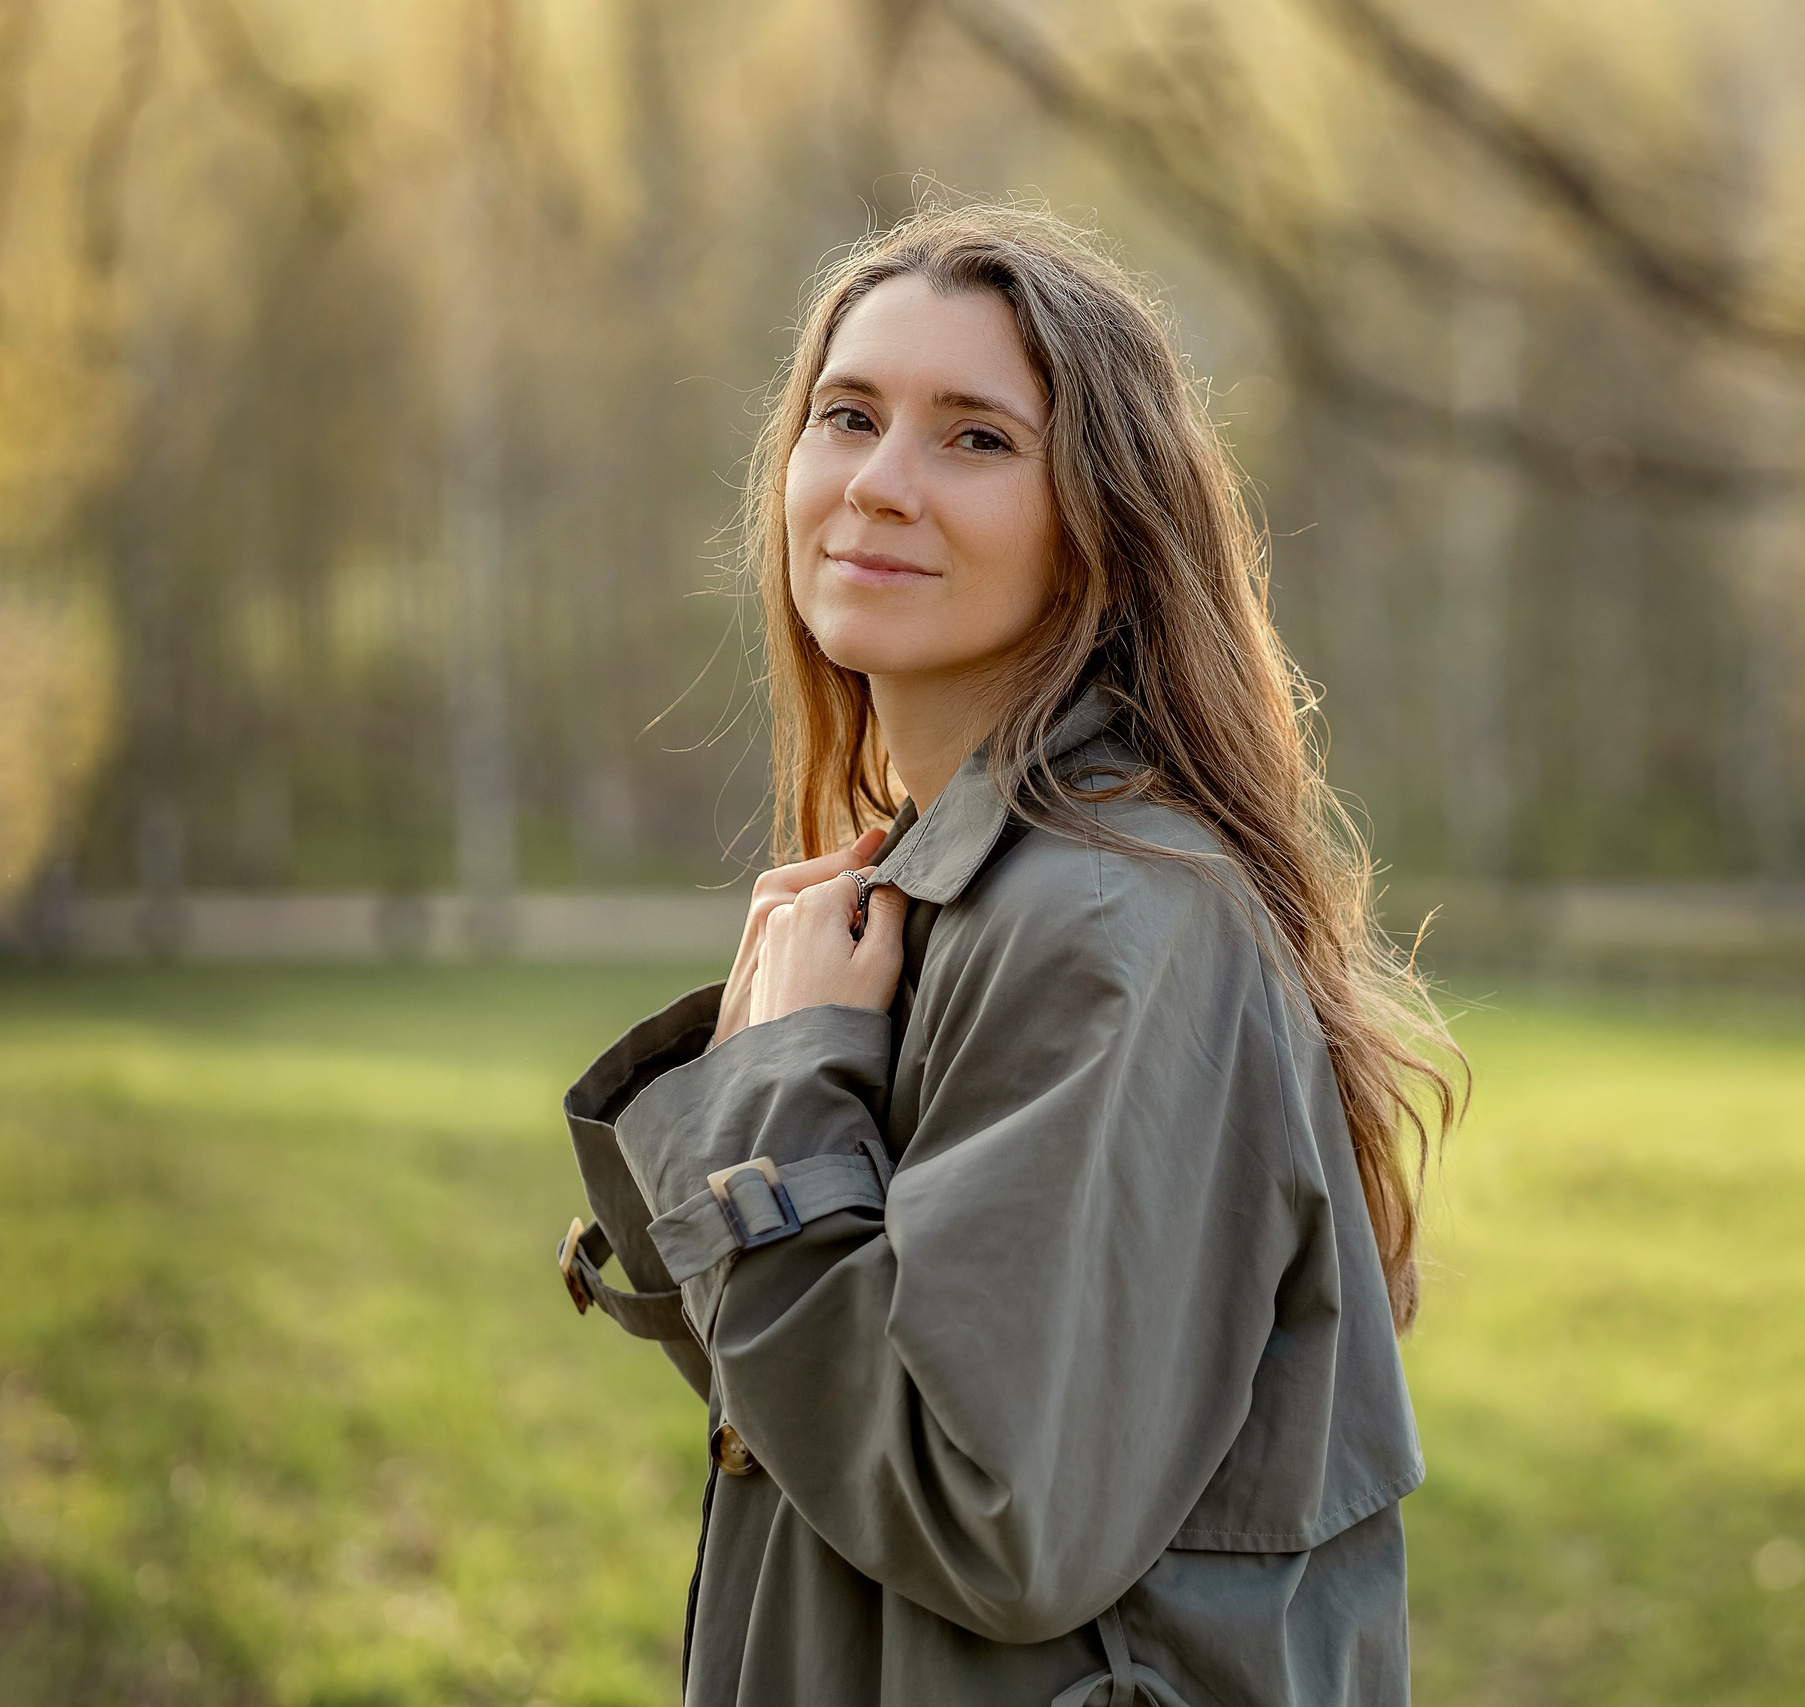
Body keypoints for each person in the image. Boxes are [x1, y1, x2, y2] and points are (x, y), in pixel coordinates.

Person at [552, 203, 1462, 1706]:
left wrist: (778, 1113)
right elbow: (840, 1418)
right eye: (848, 417)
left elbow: (997, 1512)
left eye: (975, 439)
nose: (879, 486)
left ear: (1101, 525)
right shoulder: (958, 895)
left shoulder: (1106, 921)